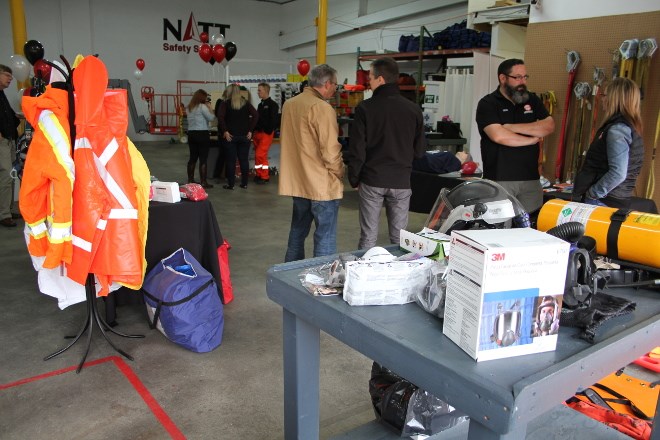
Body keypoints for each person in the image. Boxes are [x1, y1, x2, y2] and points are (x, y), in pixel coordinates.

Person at [345, 57, 426, 250]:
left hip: (372, 180)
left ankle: (364, 276)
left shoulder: (365, 108)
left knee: (368, 238)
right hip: (401, 181)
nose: (368, 82)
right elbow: (420, 150)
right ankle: (400, 277)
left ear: (380, 79)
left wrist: (354, 179)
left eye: (370, 77)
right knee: (400, 240)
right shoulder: (414, 110)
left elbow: (357, 149)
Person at [279, 64, 343, 262]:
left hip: (298, 183)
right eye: (335, 85)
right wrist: (340, 171)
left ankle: (289, 272)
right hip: (321, 185)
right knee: (325, 235)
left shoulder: (290, 104)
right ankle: (322, 279)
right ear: (326, 84)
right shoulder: (322, 108)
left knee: (297, 232)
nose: (335, 89)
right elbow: (330, 150)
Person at [476, 58, 555, 214]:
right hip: (500, 179)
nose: (522, 81)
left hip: (531, 179)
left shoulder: (532, 99)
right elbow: (499, 136)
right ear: (503, 78)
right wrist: (531, 139)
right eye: (517, 77)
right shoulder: (488, 103)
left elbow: (549, 125)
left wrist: (511, 127)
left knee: (529, 228)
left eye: (525, 77)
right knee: (499, 226)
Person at [572, 77, 644, 209]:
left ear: (614, 99)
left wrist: (593, 194)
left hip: (603, 201)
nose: (602, 99)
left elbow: (618, 173)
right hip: (612, 199)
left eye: (604, 95)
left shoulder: (618, 130)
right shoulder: (628, 127)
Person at [218, 84, 258, 190]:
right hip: (244, 136)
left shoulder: (225, 103)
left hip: (230, 137)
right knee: (244, 160)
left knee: (231, 161)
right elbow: (256, 115)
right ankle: (244, 183)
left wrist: (225, 131)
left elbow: (220, 117)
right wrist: (250, 130)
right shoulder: (246, 103)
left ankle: (231, 184)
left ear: (229, 92)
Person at [0, 64, 21, 227]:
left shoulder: (2, 95)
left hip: (9, 139)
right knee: (6, 175)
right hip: (2, 142)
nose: (11, 78)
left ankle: (8, 208)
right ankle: (4, 214)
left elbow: (9, 116)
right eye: (7, 75)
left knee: (11, 175)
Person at [186, 89, 215, 188]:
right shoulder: (202, 107)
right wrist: (210, 108)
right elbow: (211, 118)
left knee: (192, 158)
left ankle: (190, 180)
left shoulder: (189, 107)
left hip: (191, 134)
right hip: (202, 134)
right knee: (203, 159)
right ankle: (203, 182)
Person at [253, 82, 279, 184]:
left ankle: (264, 176)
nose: (258, 92)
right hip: (258, 133)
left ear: (266, 91)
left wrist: (268, 130)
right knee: (259, 155)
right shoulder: (260, 105)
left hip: (266, 133)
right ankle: (259, 174)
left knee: (260, 154)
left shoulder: (273, 105)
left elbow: (273, 120)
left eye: (259, 90)